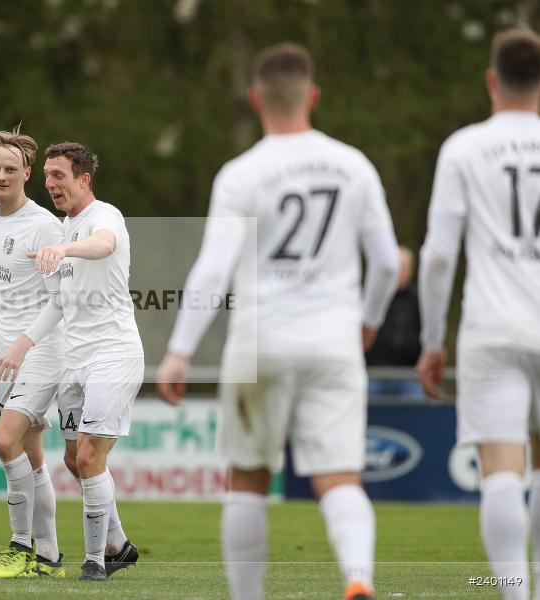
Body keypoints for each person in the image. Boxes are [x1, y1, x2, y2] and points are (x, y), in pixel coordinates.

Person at [156, 43, 399, 600]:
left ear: (255, 98)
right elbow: (386, 261)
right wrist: (368, 320)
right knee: (339, 479)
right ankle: (357, 577)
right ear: (313, 95)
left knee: (247, 480)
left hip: (259, 343)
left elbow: (213, 269)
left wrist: (180, 349)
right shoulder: (353, 164)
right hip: (333, 341)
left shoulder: (242, 173)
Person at [416, 29, 540, 600]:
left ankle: (517, 594)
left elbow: (439, 255)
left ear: (492, 80)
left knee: (501, 470)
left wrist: (432, 338)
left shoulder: (465, 147)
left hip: (492, 327)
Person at [0, 142, 143, 581]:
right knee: (71, 460)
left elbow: (103, 245)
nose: (49, 183)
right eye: (46, 175)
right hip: (74, 361)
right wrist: (22, 345)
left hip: (113, 353)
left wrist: (66, 251)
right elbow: (58, 304)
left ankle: (97, 561)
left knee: (88, 455)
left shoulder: (103, 216)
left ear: (84, 179)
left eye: (58, 175)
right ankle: (120, 544)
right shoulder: (63, 228)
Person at [0, 126, 65, 578]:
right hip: (10, 352)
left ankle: (20, 547)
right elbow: (16, 280)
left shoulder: (44, 225)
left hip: (41, 350)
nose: (1, 176)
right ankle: (49, 557)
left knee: (5, 441)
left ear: (27, 172)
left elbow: (61, 297)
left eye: (10, 169)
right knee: (33, 455)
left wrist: (25, 344)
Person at [365, 245, 422, 399]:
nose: (399, 271)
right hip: (375, 374)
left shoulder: (420, 299)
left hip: (409, 376)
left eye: (404, 267)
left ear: (411, 269)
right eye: (397, 266)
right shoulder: (374, 297)